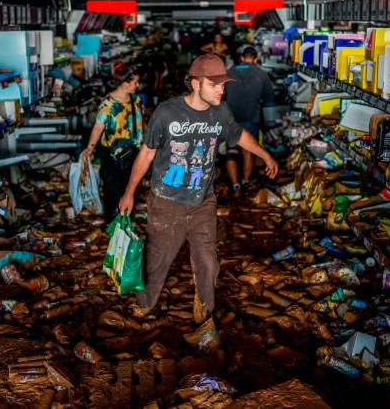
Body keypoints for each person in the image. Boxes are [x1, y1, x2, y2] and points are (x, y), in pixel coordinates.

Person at [118, 54, 278, 324]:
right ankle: (145, 303)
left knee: (207, 261)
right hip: (167, 202)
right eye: (214, 85)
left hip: (203, 200)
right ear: (195, 84)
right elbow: (146, 154)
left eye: (222, 85)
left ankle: (204, 311)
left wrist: (266, 155)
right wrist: (129, 192)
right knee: (157, 261)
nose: (221, 90)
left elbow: (239, 136)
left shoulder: (221, 112)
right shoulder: (167, 113)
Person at [83, 63, 144, 224]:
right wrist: (90, 147)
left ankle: (125, 222)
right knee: (111, 189)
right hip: (112, 154)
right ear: (125, 83)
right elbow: (98, 126)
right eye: (135, 82)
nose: (138, 85)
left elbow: (140, 123)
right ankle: (110, 223)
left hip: (132, 152)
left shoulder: (136, 100)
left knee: (129, 188)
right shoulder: (108, 103)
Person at [224, 46, 275, 195]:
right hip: (251, 118)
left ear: (241, 58)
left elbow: (222, 94)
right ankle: (245, 181)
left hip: (231, 117)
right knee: (248, 150)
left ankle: (236, 186)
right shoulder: (262, 74)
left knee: (232, 151)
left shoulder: (230, 72)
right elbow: (269, 98)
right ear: (256, 58)